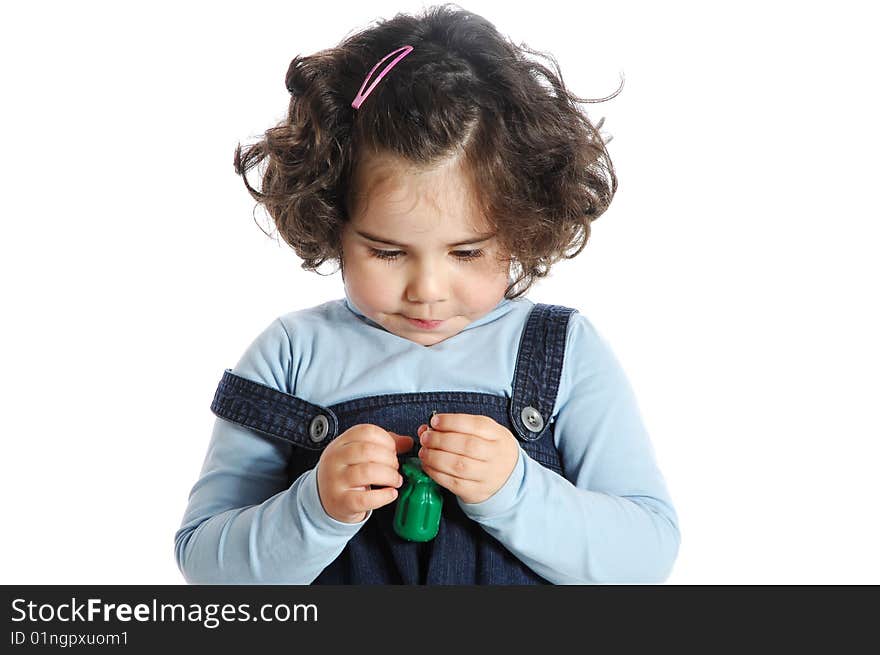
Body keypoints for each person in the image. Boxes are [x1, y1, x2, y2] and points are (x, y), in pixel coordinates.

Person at [174, 4, 680, 584]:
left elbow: (646, 555)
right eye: (387, 253)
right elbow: (205, 564)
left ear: (523, 224)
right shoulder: (291, 355)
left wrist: (516, 490)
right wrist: (314, 508)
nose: (428, 292)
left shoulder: (564, 353)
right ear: (331, 220)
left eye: (467, 253)